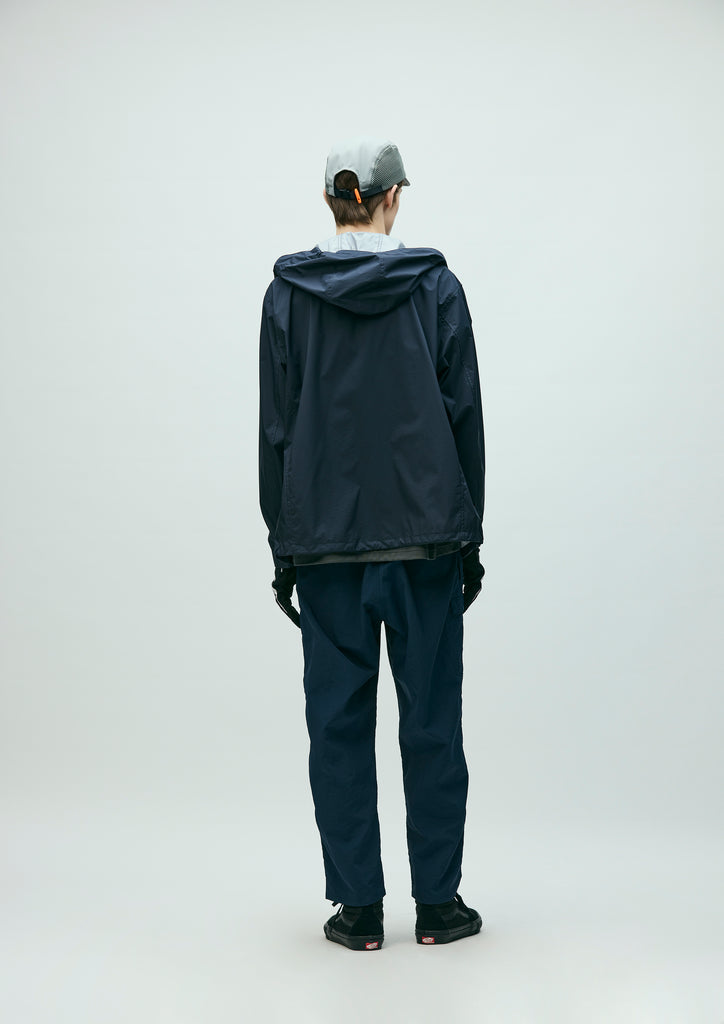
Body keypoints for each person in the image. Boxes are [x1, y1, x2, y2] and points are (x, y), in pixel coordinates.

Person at [258, 137, 486, 950]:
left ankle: (359, 913)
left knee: (338, 728)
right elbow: (463, 415)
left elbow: (276, 427)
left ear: (331, 200)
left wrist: (282, 544)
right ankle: (438, 907)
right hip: (426, 543)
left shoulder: (286, 297)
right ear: (392, 198)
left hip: (324, 547)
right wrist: (469, 534)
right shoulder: (436, 289)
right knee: (433, 724)